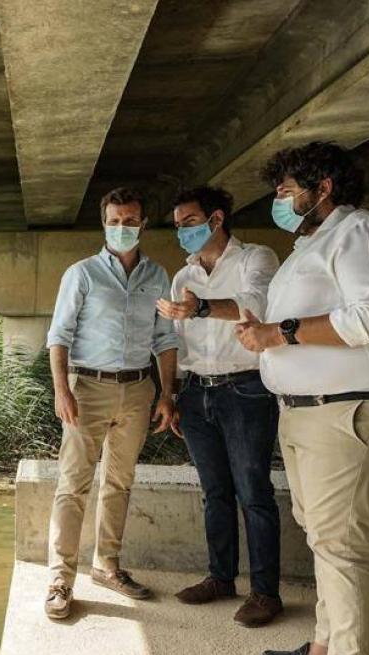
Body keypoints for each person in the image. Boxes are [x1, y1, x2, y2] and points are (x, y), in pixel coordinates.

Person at [235, 141, 369, 655]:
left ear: (324, 189)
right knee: (324, 533)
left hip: (350, 408)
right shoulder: (312, 244)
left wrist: (281, 333)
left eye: (288, 189)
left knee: (342, 543)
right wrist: (267, 335)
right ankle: (324, 650)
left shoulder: (361, 231)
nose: (279, 200)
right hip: (314, 409)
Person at [43, 186, 179, 621]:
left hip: (139, 390)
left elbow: (165, 339)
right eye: (115, 221)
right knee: (73, 484)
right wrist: (62, 390)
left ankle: (107, 566)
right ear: (105, 223)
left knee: (120, 482)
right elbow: (58, 337)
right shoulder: (81, 274)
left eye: (131, 220)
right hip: (88, 389)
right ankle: (60, 580)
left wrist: (167, 394)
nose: (123, 228)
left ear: (143, 223)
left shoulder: (157, 276)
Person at [157, 185, 283, 627]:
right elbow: (173, 340)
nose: (182, 232)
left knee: (254, 492)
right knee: (214, 492)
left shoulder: (256, 258)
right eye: (177, 226)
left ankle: (265, 593)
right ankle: (221, 578)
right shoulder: (183, 276)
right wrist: (169, 394)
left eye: (189, 222)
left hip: (247, 389)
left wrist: (203, 307)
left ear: (216, 219)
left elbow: (258, 306)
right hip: (196, 392)